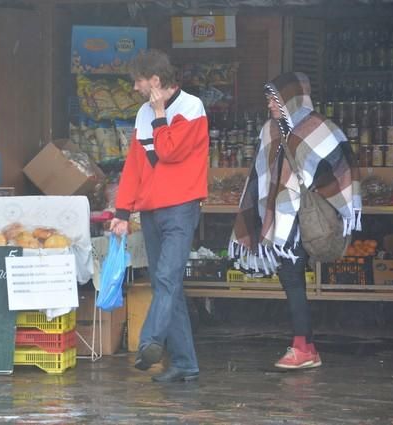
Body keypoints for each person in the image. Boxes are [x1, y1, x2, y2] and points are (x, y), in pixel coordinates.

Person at [230, 72, 361, 370]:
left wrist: (324, 196)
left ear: (292, 97)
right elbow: (262, 176)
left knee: (291, 278)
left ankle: (303, 346)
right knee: (291, 279)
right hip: (281, 218)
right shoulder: (269, 130)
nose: (270, 104)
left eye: (275, 98)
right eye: (268, 98)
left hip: (307, 217)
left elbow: (342, 167)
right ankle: (306, 346)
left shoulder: (320, 129)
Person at [110, 49, 209, 383]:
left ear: (154, 80)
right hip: (152, 210)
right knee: (168, 284)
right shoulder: (142, 113)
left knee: (166, 278)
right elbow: (135, 165)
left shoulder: (192, 107)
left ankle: (150, 342)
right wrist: (122, 211)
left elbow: (168, 151)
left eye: (138, 80)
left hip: (181, 207)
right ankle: (185, 363)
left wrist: (158, 113)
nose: (136, 87)